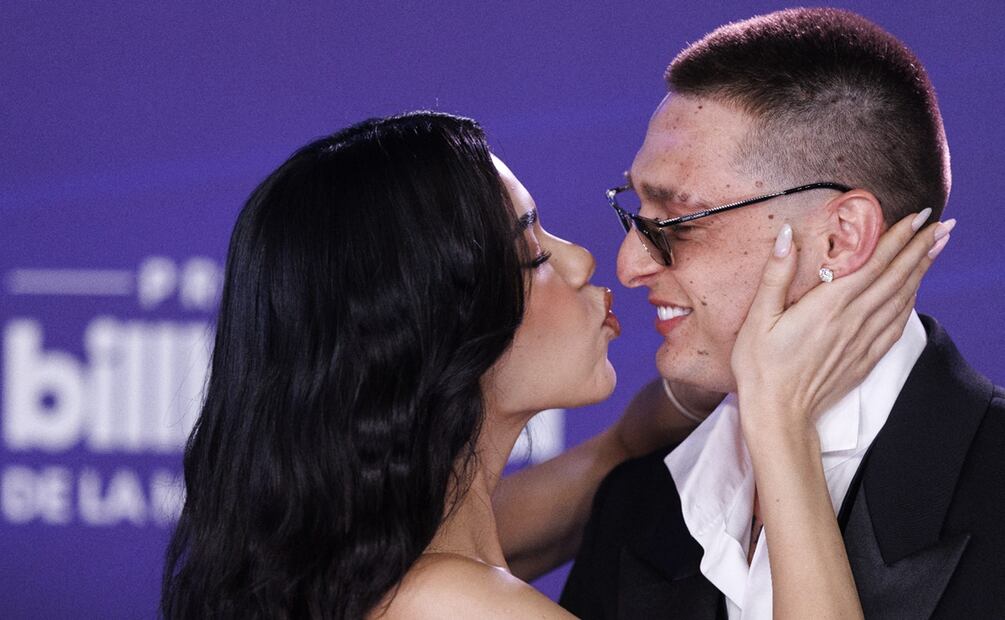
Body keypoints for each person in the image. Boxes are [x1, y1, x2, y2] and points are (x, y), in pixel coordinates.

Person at [159, 111, 940, 620]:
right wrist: (779, 415)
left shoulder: (361, 552)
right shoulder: (457, 605)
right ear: (434, 330)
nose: (583, 260)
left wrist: (640, 433)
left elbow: (579, 481)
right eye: (532, 253)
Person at [558, 8, 1005, 619]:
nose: (630, 264)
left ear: (841, 238)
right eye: (634, 212)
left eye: (677, 221)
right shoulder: (639, 507)